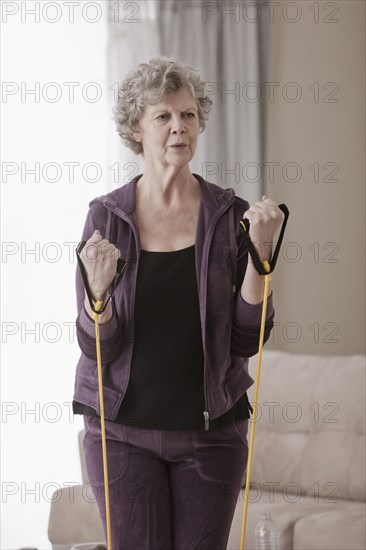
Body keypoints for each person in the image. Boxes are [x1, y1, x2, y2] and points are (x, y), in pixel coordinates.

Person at [72, 56, 284, 549]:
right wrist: (97, 295)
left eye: (188, 115)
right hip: (120, 434)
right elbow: (94, 342)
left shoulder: (230, 216)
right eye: (163, 117)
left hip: (211, 436)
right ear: (135, 128)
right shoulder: (106, 218)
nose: (178, 128)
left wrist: (261, 257)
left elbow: (247, 339)